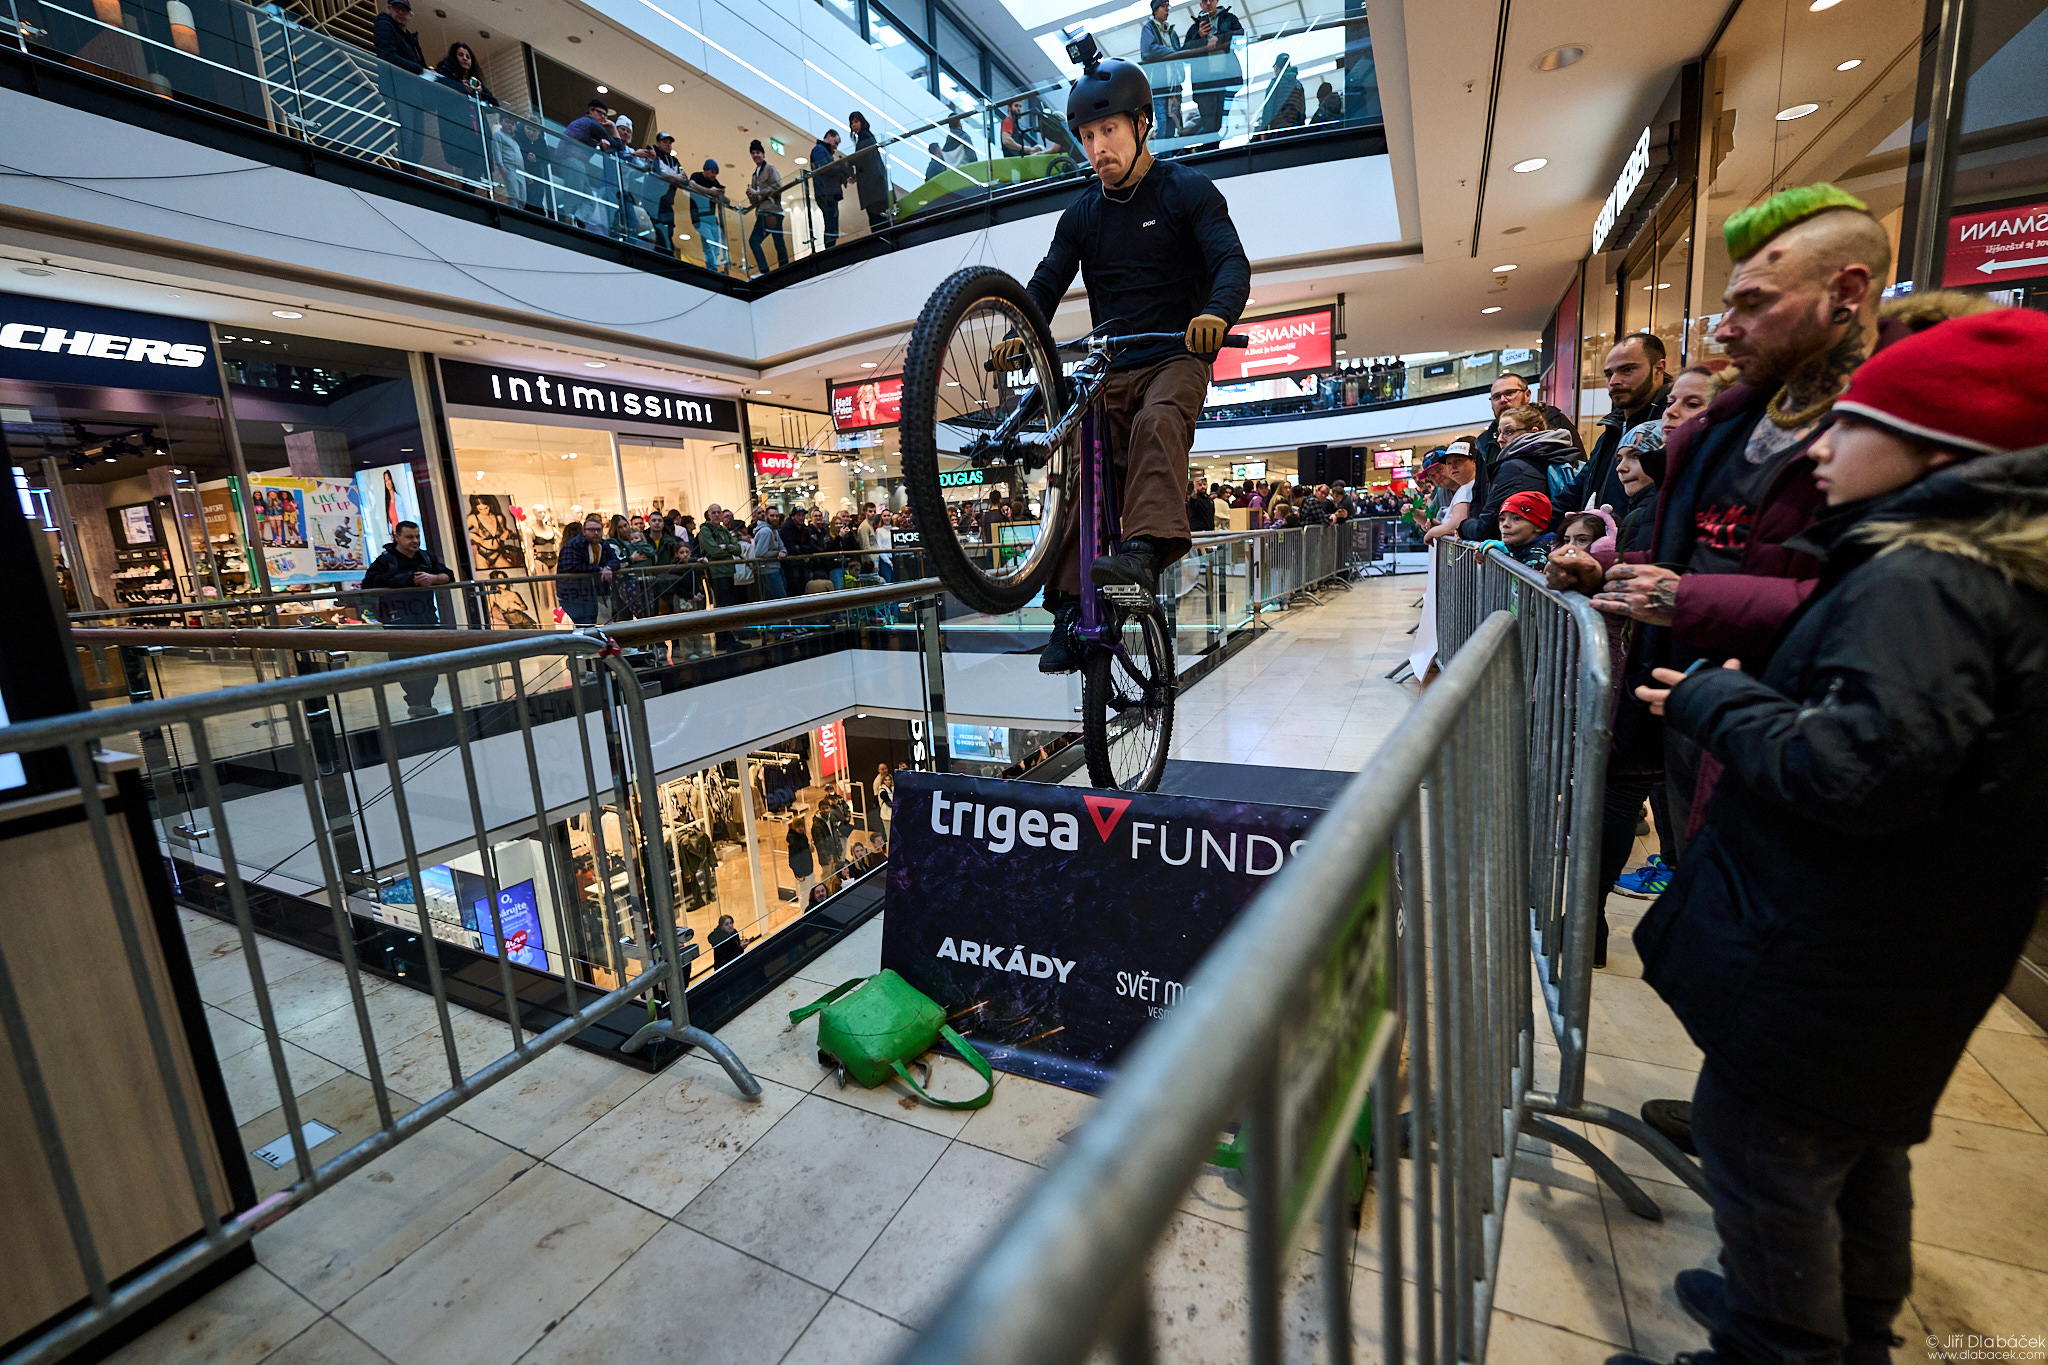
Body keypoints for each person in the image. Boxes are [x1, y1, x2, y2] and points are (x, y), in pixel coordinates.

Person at [1607, 307, 2048, 1365]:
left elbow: (1860, 767)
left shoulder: (1924, 580)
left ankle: (1777, 1342)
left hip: (1838, 945)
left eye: (1852, 425)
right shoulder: (1983, 576)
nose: (1818, 449)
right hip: (1909, 947)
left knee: (1767, 1154)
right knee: (1851, 1153)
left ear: (1934, 450)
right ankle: (1849, 1330)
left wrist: (1717, 700)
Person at [1591, 182, 1894, 1163]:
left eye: (1754, 304)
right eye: (1727, 304)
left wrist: (1689, 599)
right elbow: (1692, 542)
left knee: (1795, 971)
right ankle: (1733, 1094)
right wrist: (1624, 571)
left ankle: (1772, 1144)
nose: (1726, 327)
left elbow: (1871, 598)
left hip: (1805, 728)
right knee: (1721, 919)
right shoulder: (1732, 421)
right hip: (1701, 708)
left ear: (1846, 291)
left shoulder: (1884, 428)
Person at [999, 53, 1250, 675]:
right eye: (1086, 137)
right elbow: (1047, 281)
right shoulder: (1083, 213)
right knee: (1083, 463)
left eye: (1108, 130)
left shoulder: (1187, 190)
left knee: (1157, 422)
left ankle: (1142, 550)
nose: (1097, 148)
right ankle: (1069, 607)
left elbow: (1230, 263)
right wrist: (1022, 328)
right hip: (1111, 364)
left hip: (1176, 355)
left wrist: (1215, 313)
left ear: (1143, 123)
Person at [1567, 333, 1672, 516]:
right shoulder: (1612, 429)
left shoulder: (1670, 426)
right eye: (1609, 374)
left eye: (1627, 370)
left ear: (1659, 368)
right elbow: (1577, 491)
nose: (1614, 381)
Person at [360, 520, 453, 717]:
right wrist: (407, 579)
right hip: (398, 622)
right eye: (410, 537)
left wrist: (433, 578)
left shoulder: (426, 558)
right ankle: (417, 703)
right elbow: (368, 585)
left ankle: (423, 702)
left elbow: (448, 575)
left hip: (426, 619)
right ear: (397, 538)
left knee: (432, 664)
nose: (415, 541)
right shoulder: (385, 561)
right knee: (405, 663)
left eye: (417, 536)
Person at [1459, 409, 1573, 540]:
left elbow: (1486, 528)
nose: (1500, 440)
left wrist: (1463, 525)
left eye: (1509, 431)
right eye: (1499, 433)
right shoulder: (1555, 456)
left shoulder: (1514, 468)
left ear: (1533, 432)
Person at [1474, 371, 1576, 473]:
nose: (1503, 400)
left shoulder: (1554, 422)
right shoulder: (1484, 442)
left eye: (1510, 393)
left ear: (1527, 395)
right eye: (1497, 396)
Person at [429, 42, 497, 182]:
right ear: (454, 58)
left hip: (478, 136)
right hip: (459, 132)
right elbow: (440, 90)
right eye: (461, 55)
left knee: (474, 173)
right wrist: (462, 88)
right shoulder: (445, 74)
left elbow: (494, 105)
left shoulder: (474, 81)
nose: (465, 58)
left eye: (468, 56)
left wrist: (480, 91)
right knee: (472, 170)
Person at [1179, 0, 1245, 137]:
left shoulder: (1229, 19)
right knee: (1211, 126)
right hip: (1204, 84)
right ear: (1200, 4)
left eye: (1211, 0)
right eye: (1204, 1)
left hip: (1225, 80)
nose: (1208, 3)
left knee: (1219, 124)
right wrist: (1199, 37)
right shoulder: (1194, 29)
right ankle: (1209, 146)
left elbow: (1240, 35)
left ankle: (1209, 146)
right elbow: (1184, 55)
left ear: (1217, 1)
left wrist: (1219, 38)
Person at [374, 0, 427, 166]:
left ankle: (412, 174)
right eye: (398, 8)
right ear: (389, 8)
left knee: (417, 144)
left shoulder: (410, 39)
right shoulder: (384, 26)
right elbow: (388, 56)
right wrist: (419, 70)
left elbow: (421, 66)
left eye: (405, 10)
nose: (401, 13)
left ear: (411, 15)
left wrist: (425, 72)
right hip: (398, 90)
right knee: (406, 137)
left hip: (415, 95)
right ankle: (407, 175)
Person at [556, 513, 617, 626]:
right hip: (572, 593)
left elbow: (614, 559)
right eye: (592, 530)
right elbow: (571, 566)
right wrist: (598, 569)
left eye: (598, 530)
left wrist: (608, 567)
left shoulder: (602, 544)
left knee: (592, 622)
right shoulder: (573, 545)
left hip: (592, 592)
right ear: (584, 531)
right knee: (584, 623)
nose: (596, 533)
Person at [744, 139, 789, 273]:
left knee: (777, 242)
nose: (755, 155)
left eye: (757, 152)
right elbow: (756, 200)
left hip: (772, 211)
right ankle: (768, 270)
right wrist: (751, 196)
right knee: (759, 241)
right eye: (753, 153)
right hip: (762, 212)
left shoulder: (770, 168)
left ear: (763, 154)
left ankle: (783, 270)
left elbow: (778, 187)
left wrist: (758, 193)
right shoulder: (754, 175)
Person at [1138, 1, 1182, 137]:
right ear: (1155, 10)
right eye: (1163, 6)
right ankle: (1163, 150)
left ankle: (1169, 150)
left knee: (1173, 123)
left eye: (1168, 6)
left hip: (1174, 87)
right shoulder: (1149, 28)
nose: (1167, 9)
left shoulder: (1171, 32)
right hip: (1159, 86)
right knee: (1163, 123)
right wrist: (1170, 52)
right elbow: (1148, 51)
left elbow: (1179, 52)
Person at [1487, 490, 1553, 569]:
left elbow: (1527, 576)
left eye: (1516, 519)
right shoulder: (1515, 544)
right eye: (1502, 519)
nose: (1505, 524)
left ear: (1539, 527)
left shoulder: (1539, 554)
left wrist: (1506, 557)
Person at [847, 112, 890, 230]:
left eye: (856, 122)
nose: (853, 125)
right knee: (879, 218)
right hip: (875, 185)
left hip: (872, 188)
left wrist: (849, 162)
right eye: (851, 123)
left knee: (876, 220)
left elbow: (864, 158)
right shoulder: (867, 136)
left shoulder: (864, 137)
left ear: (862, 122)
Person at [696, 503, 743, 607]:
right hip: (716, 573)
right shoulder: (705, 531)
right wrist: (729, 549)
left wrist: (726, 547)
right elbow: (714, 552)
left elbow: (738, 549)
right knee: (724, 604)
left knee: (732, 604)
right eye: (713, 513)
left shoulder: (724, 530)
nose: (716, 515)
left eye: (719, 512)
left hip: (730, 571)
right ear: (709, 515)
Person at [688, 159, 729, 272]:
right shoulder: (696, 176)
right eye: (712, 172)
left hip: (712, 219)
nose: (714, 175)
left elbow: (727, 200)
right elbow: (691, 184)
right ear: (705, 170)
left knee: (716, 244)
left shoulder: (715, 183)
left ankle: (714, 266)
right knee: (709, 243)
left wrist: (721, 195)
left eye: (716, 173)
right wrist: (710, 192)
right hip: (699, 217)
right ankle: (712, 268)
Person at [646, 131, 684, 253]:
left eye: (670, 143)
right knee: (655, 228)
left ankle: (667, 252)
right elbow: (656, 171)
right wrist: (674, 177)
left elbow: (685, 179)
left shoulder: (675, 161)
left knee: (669, 228)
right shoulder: (653, 153)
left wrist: (670, 178)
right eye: (665, 142)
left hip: (667, 201)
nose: (668, 145)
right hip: (653, 200)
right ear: (658, 143)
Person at [808, 128, 846, 248]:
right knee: (831, 226)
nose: (836, 147)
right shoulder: (820, 150)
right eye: (835, 142)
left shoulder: (823, 151)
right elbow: (825, 169)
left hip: (827, 192)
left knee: (832, 226)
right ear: (829, 136)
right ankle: (829, 250)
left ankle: (830, 249)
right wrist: (841, 166)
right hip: (826, 193)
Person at [1255, 52, 1304, 136]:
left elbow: (1269, 107)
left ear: (1277, 67)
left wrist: (1264, 130)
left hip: (1279, 130)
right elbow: (1302, 110)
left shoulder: (1275, 83)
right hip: (1295, 130)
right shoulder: (1298, 85)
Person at [749, 512, 787, 599]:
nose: (775, 518)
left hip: (776, 568)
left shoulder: (774, 531)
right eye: (772, 515)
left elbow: (782, 546)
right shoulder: (765, 531)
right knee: (780, 599)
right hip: (768, 570)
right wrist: (776, 553)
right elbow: (760, 553)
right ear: (766, 517)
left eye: (777, 516)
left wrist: (783, 552)